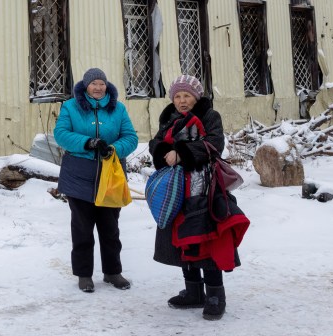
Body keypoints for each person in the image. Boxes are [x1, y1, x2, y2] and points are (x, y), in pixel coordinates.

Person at [148, 74, 249, 320]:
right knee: (182, 239)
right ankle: (193, 291)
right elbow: (156, 143)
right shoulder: (169, 117)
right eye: (178, 96)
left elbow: (215, 143)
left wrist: (182, 153)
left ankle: (215, 295)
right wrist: (163, 152)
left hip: (204, 189)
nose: (182, 101)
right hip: (176, 191)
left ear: (196, 97)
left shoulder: (209, 116)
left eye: (187, 96)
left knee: (206, 239)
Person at [54, 67, 139, 293]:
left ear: (106, 86)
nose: (98, 88)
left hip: (110, 174)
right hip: (79, 174)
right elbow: (60, 134)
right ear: (86, 86)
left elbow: (131, 137)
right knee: (82, 227)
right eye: (94, 84)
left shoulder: (118, 109)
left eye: (102, 84)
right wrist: (88, 143)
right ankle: (84, 274)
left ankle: (112, 272)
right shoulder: (70, 107)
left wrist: (113, 148)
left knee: (110, 227)